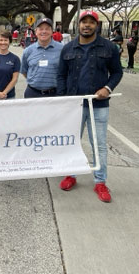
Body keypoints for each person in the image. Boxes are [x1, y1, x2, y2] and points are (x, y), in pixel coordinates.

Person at [57, 10, 123, 202]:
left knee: (99, 145)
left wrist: (108, 88)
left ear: (97, 25)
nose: (87, 25)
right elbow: (61, 76)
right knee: (71, 142)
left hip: (98, 105)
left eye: (91, 22)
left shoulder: (109, 47)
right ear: (78, 25)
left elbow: (117, 73)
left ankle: (100, 181)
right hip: (74, 105)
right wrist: (63, 100)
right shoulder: (67, 48)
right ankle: (71, 175)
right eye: (83, 22)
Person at [21, 18, 63, 98]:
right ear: (36, 32)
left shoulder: (62, 49)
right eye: (41, 29)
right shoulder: (28, 51)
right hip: (32, 93)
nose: (44, 31)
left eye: (47, 29)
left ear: (52, 32)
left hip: (54, 94)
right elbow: (24, 71)